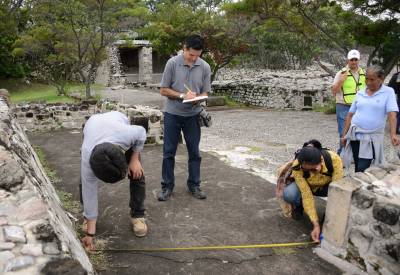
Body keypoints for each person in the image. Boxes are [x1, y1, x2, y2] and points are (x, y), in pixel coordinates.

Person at [80, 111, 148, 251]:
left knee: (137, 173)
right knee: (85, 183)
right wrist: (90, 234)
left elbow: (141, 132)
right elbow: (90, 194)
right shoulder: (87, 159)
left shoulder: (127, 134)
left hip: (116, 122)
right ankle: (88, 218)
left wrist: (134, 160)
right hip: (93, 127)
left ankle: (138, 215)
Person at [157, 34, 211, 201]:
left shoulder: (205, 67)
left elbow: (205, 92)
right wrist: (182, 96)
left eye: (197, 55)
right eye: (191, 55)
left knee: (194, 152)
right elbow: (163, 90)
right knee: (168, 152)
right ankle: (167, 187)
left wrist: (198, 98)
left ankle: (194, 185)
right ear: (184, 48)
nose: (194, 59)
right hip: (172, 114)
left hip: (193, 116)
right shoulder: (172, 63)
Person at [276, 140, 343, 242]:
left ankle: (326, 218)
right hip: (309, 187)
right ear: (303, 165)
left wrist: (328, 220)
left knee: (336, 193)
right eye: (310, 170)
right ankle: (299, 205)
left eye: (316, 168)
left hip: (327, 187)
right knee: (289, 194)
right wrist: (315, 224)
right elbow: (307, 195)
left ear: (321, 160)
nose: (314, 171)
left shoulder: (334, 160)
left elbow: (336, 191)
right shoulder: (297, 167)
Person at [341, 66, 400, 172]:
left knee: (363, 167)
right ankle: (359, 186)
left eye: (372, 79)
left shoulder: (388, 92)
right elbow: (350, 115)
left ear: (381, 79)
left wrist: (393, 134)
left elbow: (392, 114)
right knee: (358, 165)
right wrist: (344, 135)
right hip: (355, 136)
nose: (368, 82)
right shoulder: (360, 93)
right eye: (366, 79)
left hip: (372, 138)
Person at [331, 49, 366, 154]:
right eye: (352, 59)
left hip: (360, 106)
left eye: (356, 59)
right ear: (348, 60)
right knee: (343, 131)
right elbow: (334, 91)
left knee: (359, 132)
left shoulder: (363, 73)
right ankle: (342, 153)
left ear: (358, 60)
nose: (354, 62)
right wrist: (341, 80)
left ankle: (355, 155)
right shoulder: (341, 73)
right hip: (343, 105)